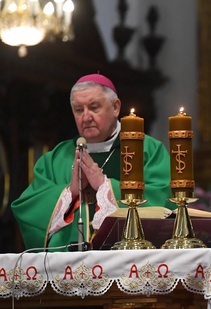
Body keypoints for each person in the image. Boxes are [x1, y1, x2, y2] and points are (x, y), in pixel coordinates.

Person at [11, 73, 174, 251]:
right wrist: (70, 191)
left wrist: (105, 186)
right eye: (78, 110)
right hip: (66, 269)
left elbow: (163, 201)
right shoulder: (56, 158)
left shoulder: (146, 150)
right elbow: (28, 210)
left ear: (115, 107)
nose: (86, 117)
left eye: (94, 107)